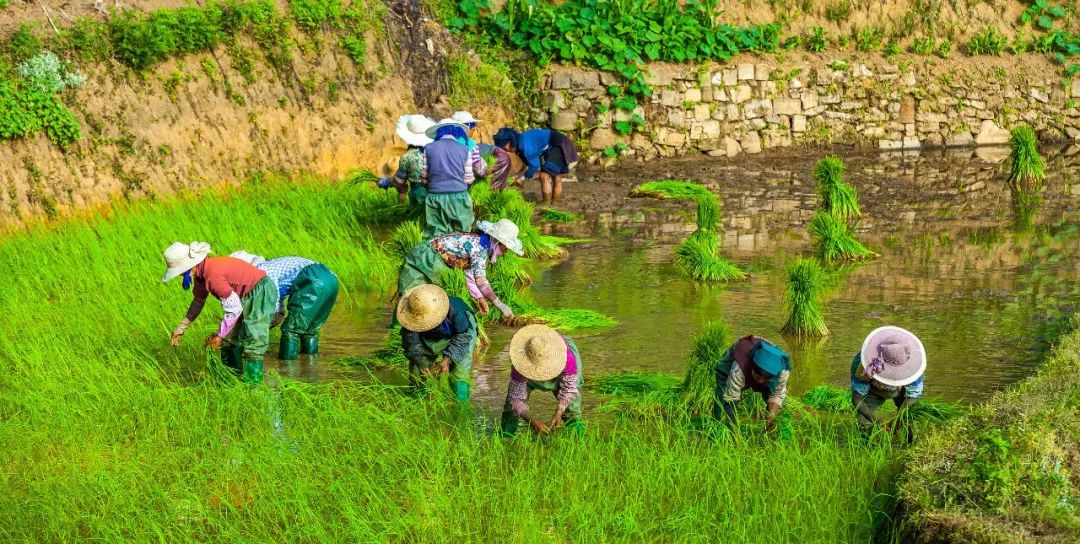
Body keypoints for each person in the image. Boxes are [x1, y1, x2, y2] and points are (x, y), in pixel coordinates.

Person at [163, 242, 276, 383]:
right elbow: (198, 302)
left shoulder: (212, 275)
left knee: (253, 340)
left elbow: (234, 309)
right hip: (242, 296)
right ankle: (232, 382)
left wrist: (219, 336)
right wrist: (181, 328)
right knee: (229, 340)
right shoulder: (200, 276)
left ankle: (253, 387)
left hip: (260, 291)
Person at [397, 218, 523, 318]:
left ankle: (420, 325)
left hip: (432, 258)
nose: (506, 251)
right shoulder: (479, 249)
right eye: (506, 247)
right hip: (427, 258)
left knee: (422, 299)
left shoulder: (480, 244)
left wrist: (479, 297)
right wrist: (500, 305)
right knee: (413, 297)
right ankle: (406, 326)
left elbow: (470, 275)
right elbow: (481, 281)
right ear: (497, 241)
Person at [229, 251, 340, 361]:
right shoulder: (273, 264)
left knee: (291, 330)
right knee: (310, 330)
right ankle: (310, 364)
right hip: (331, 279)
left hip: (313, 279)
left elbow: (271, 304)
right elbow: (277, 297)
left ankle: (287, 368)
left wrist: (255, 329)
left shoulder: (263, 270)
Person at [500, 324, 584, 436]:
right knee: (510, 409)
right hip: (528, 370)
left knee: (572, 411)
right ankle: (506, 438)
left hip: (563, 372)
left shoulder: (567, 357)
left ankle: (577, 440)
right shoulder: (520, 363)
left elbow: (569, 390)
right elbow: (516, 399)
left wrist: (559, 412)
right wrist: (532, 421)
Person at [397, 284, 477, 401]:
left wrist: (447, 360)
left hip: (462, 333)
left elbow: (462, 339)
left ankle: (461, 411)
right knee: (417, 372)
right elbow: (412, 346)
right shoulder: (410, 317)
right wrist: (423, 365)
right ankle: (417, 403)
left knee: (459, 374)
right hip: (430, 335)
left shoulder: (457, 313)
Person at [851, 326, 926, 442]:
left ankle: (908, 445)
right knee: (863, 424)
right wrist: (876, 420)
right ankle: (866, 448)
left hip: (901, 391)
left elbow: (913, 396)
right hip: (873, 391)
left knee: (907, 419)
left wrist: (899, 417)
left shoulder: (913, 369)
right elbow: (857, 399)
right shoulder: (864, 365)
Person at [420, 119, 488, 239]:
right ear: (457, 133)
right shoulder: (464, 149)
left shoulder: (428, 148)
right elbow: (469, 179)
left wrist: (432, 188)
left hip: (435, 197)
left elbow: (424, 177)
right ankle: (458, 256)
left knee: (435, 235)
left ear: (439, 133)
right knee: (462, 233)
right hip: (459, 197)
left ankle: (437, 256)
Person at [713, 335, 792, 434]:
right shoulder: (739, 368)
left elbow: (778, 394)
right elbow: (730, 400)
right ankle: (717, 429)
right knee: (722, 398)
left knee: (780, 408)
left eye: (765, 379)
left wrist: (772, 413)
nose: (760, 381)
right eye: (758, 376)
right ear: (752, 367)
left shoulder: (782, 370)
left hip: (771, 367)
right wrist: (735, 436)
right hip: (732, 362)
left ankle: (772, 435)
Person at [494, 127, 579, 205]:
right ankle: (555, 203)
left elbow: (534, 166)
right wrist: (518, 176)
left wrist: (522, 178)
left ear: (510, 142)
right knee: (556, 176)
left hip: (558, 145)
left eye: (504, 148)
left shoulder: (524, 144)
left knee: (544, 176)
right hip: (557, 144)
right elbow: (527, 164)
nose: (505, 151)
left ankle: (546, 203)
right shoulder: (519, 143)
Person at [379, 114, 435, 211]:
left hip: (419, 193)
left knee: (418, 217)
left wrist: (388, 182)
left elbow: (399, 182)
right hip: (438, 191)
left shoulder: (407, 157)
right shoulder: (436, 151)